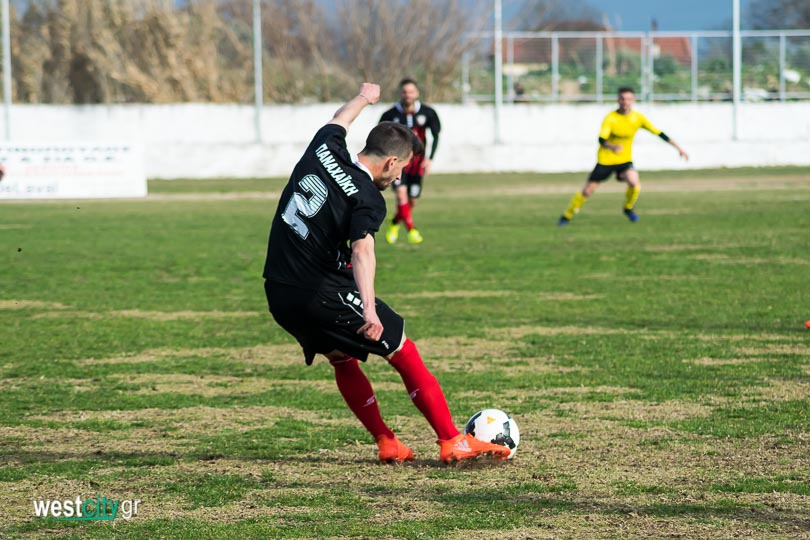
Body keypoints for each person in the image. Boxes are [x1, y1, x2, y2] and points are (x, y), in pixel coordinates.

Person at [263, 82, 508, 464]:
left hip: (277, 291)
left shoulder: (325, 146)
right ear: (392, 162)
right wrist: (369, 311)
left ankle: (388, 442)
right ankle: (450, 441)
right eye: (401, 171)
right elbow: (362, 249)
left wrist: (364, 97)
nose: (398, 180)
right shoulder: (367, 197)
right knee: (402, 348)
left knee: (341, 356)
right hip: (318, 288)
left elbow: (339, 118)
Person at [557, 86, 689, 226]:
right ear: (618, 100)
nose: (625, 102)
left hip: (624, 160)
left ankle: (628, 208)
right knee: (587, 190)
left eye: (628, 99)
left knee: (634, 182)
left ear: (633, 100)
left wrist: (679, 148)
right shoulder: (611, 118)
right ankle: (567, 215)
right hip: (606, 160)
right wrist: (612, 146)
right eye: (622, 98)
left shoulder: (638, 118)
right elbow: (601, 139)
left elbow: (659, 133)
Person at [379, 78, 441, 244]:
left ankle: (394, 223)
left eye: (411, 92)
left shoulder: (428, 113)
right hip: (397, 163)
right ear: (400, 93)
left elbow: (436, 136)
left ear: (417, 93)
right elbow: (380, 138)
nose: (408, 95)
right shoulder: (390, 115)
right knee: (401, 195)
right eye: (405, 92)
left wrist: (430, 159)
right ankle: (412, 230)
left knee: (412, 199)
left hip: (417, 164)